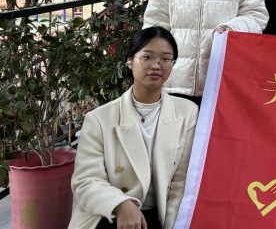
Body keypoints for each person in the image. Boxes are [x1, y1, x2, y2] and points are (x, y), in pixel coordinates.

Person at [69, 27, 199, 229]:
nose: (156, 65)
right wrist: (121, 204)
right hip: (111, 214)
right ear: (129, 61)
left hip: (161, 215)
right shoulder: (100, 119)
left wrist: (173, 225)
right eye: (147, 57)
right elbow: (86, 181)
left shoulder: (187, 112)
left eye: (166, 59)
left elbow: (181, 182)